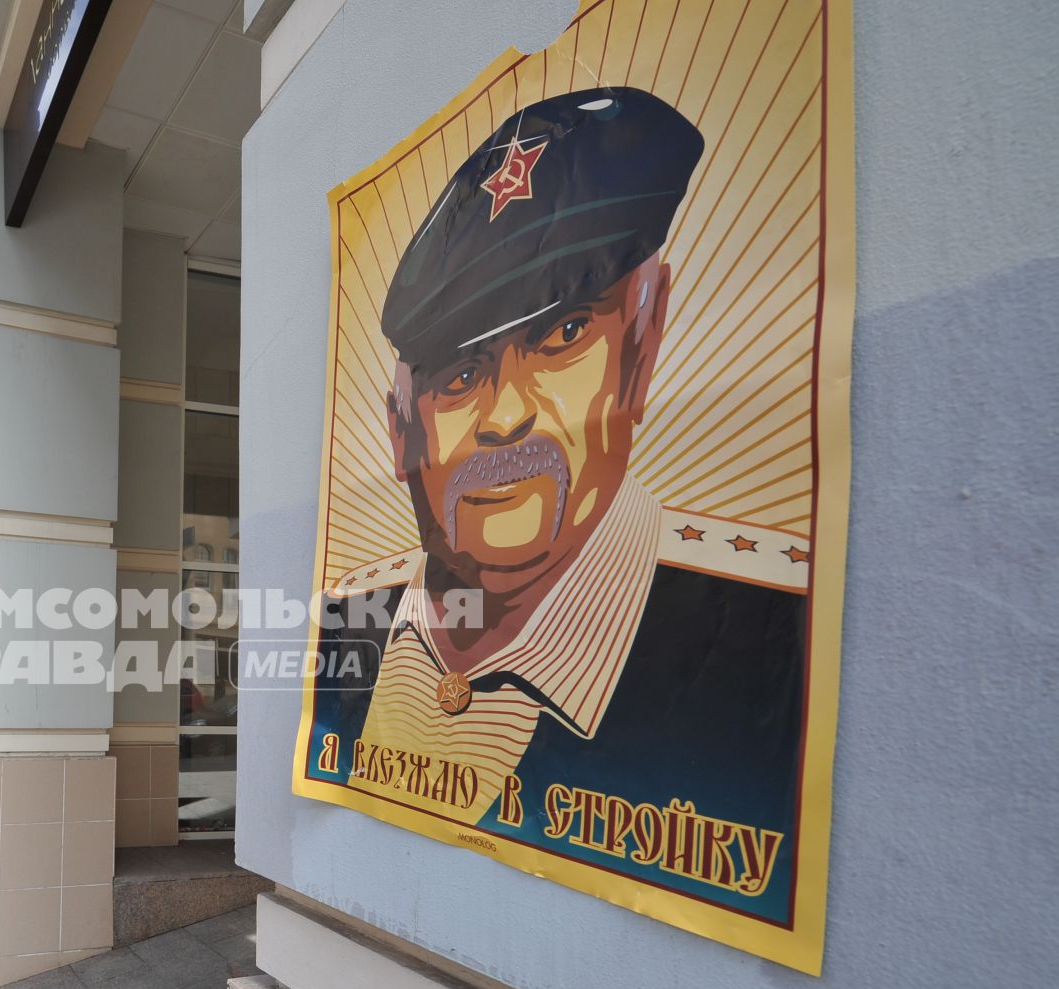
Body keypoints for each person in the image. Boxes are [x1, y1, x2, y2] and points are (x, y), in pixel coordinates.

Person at [307, 88, 808, 883]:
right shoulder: (346, 620)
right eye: (462, 374)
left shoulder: (768, 635)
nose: (505, 417)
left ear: (642, 346)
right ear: (401, 428)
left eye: (563, 335)